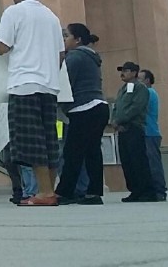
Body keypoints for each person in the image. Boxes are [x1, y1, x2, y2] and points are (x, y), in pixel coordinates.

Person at [0, 0, 65, 206]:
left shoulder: (14, 12)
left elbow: (1, 46)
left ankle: (44, 192)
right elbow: (61, 54)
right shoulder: (51, 17)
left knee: (31, 139)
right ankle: (49, 189)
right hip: (49, 84)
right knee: (49, 138)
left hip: (24, 82)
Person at [55, 23, 108, 205]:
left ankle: (65, 192)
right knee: (92, 152)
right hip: (99, 106)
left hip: (83, 108)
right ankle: (93, 192)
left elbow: (64, 84)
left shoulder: (75, 57)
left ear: (77, 40)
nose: (63, 40)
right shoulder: (91, 57)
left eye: (66, 36)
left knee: (72, 153)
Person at [112, 61, 156, 202]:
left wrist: (120, 120)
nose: (122, 73)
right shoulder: (123, 89)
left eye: (126, 70)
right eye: (122, 70)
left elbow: (136, 107)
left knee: (138, 160)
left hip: (134, 128)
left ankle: (147, 191)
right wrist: (114, 121)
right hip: (122, 129)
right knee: (127, 161)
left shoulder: (140, 88)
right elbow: (117, 106)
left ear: (134, 73)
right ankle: (135, 190)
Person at [138, 69, 167, 201]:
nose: (138, 81)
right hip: (148, 132)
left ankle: (159, 191)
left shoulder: (148, 93)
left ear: (147, 80)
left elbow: (141, 108)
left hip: (150, 132)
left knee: (153, 163)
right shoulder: (149, 93)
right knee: (149, 163)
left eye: (140, 79)